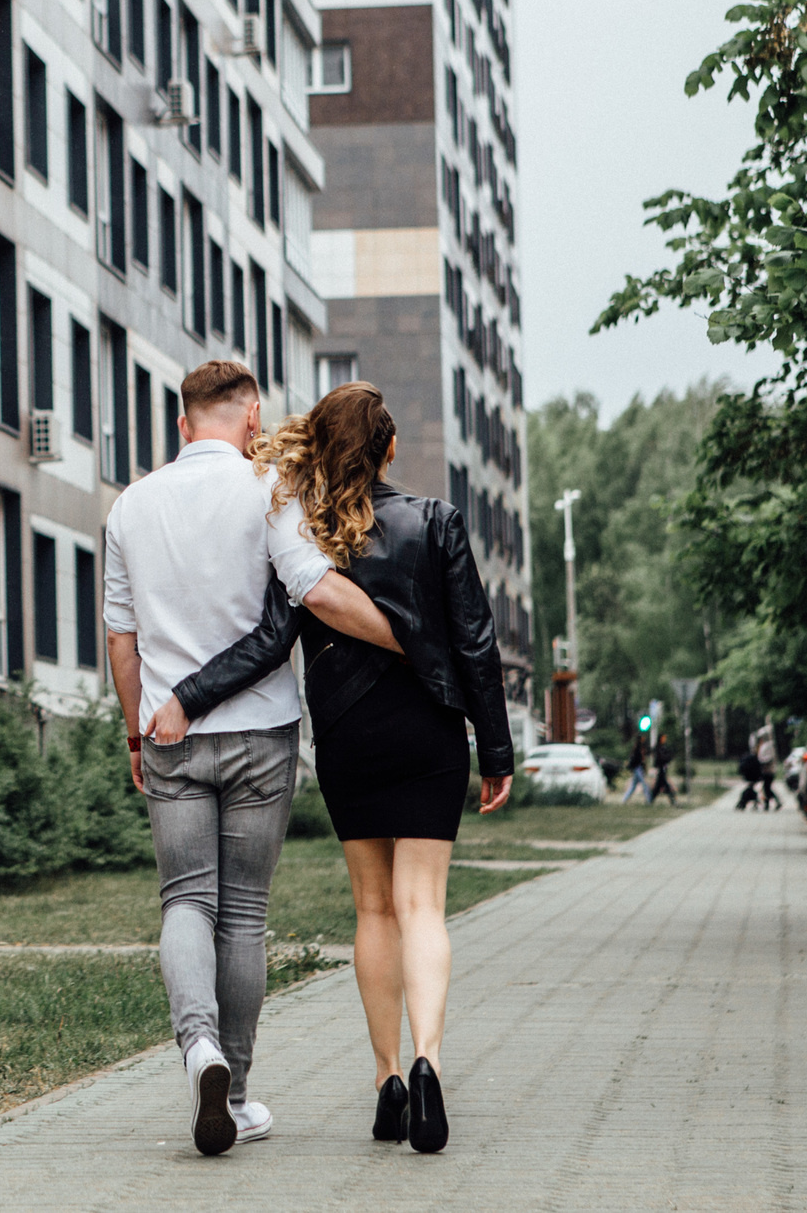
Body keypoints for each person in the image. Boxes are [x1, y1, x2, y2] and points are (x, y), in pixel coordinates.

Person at [154, 382, 513, 1156]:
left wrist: (185, 696)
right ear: (388, 449)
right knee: (423, 907)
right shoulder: (438, 521)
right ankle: (428, 1062)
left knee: (374, 910)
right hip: (429, 734)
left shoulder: (307, 534)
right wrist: (497, 750)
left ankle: (385, 1079)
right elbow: (476, 641)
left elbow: (267, 638)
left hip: (350, 736)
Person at [103, 360, 396, 1158]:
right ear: (251, 415)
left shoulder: (131, 505)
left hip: (171, 733)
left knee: (185, 899)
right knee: (243, 917)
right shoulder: (270, 490)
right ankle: (231, 1092)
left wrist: (135, 731)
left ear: (182, 422)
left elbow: (121, 642)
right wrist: (409, 638)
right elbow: (314, 590)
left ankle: (197, 1046)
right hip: (261, 733)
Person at [624, 730, 650, 804]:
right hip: (637, 768)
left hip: (639, 768)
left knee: (633, 786)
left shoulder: (642, 748)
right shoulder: (637, 748)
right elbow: (636, 759)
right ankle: (648, 801)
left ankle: (624, 800)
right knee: (644, 784)